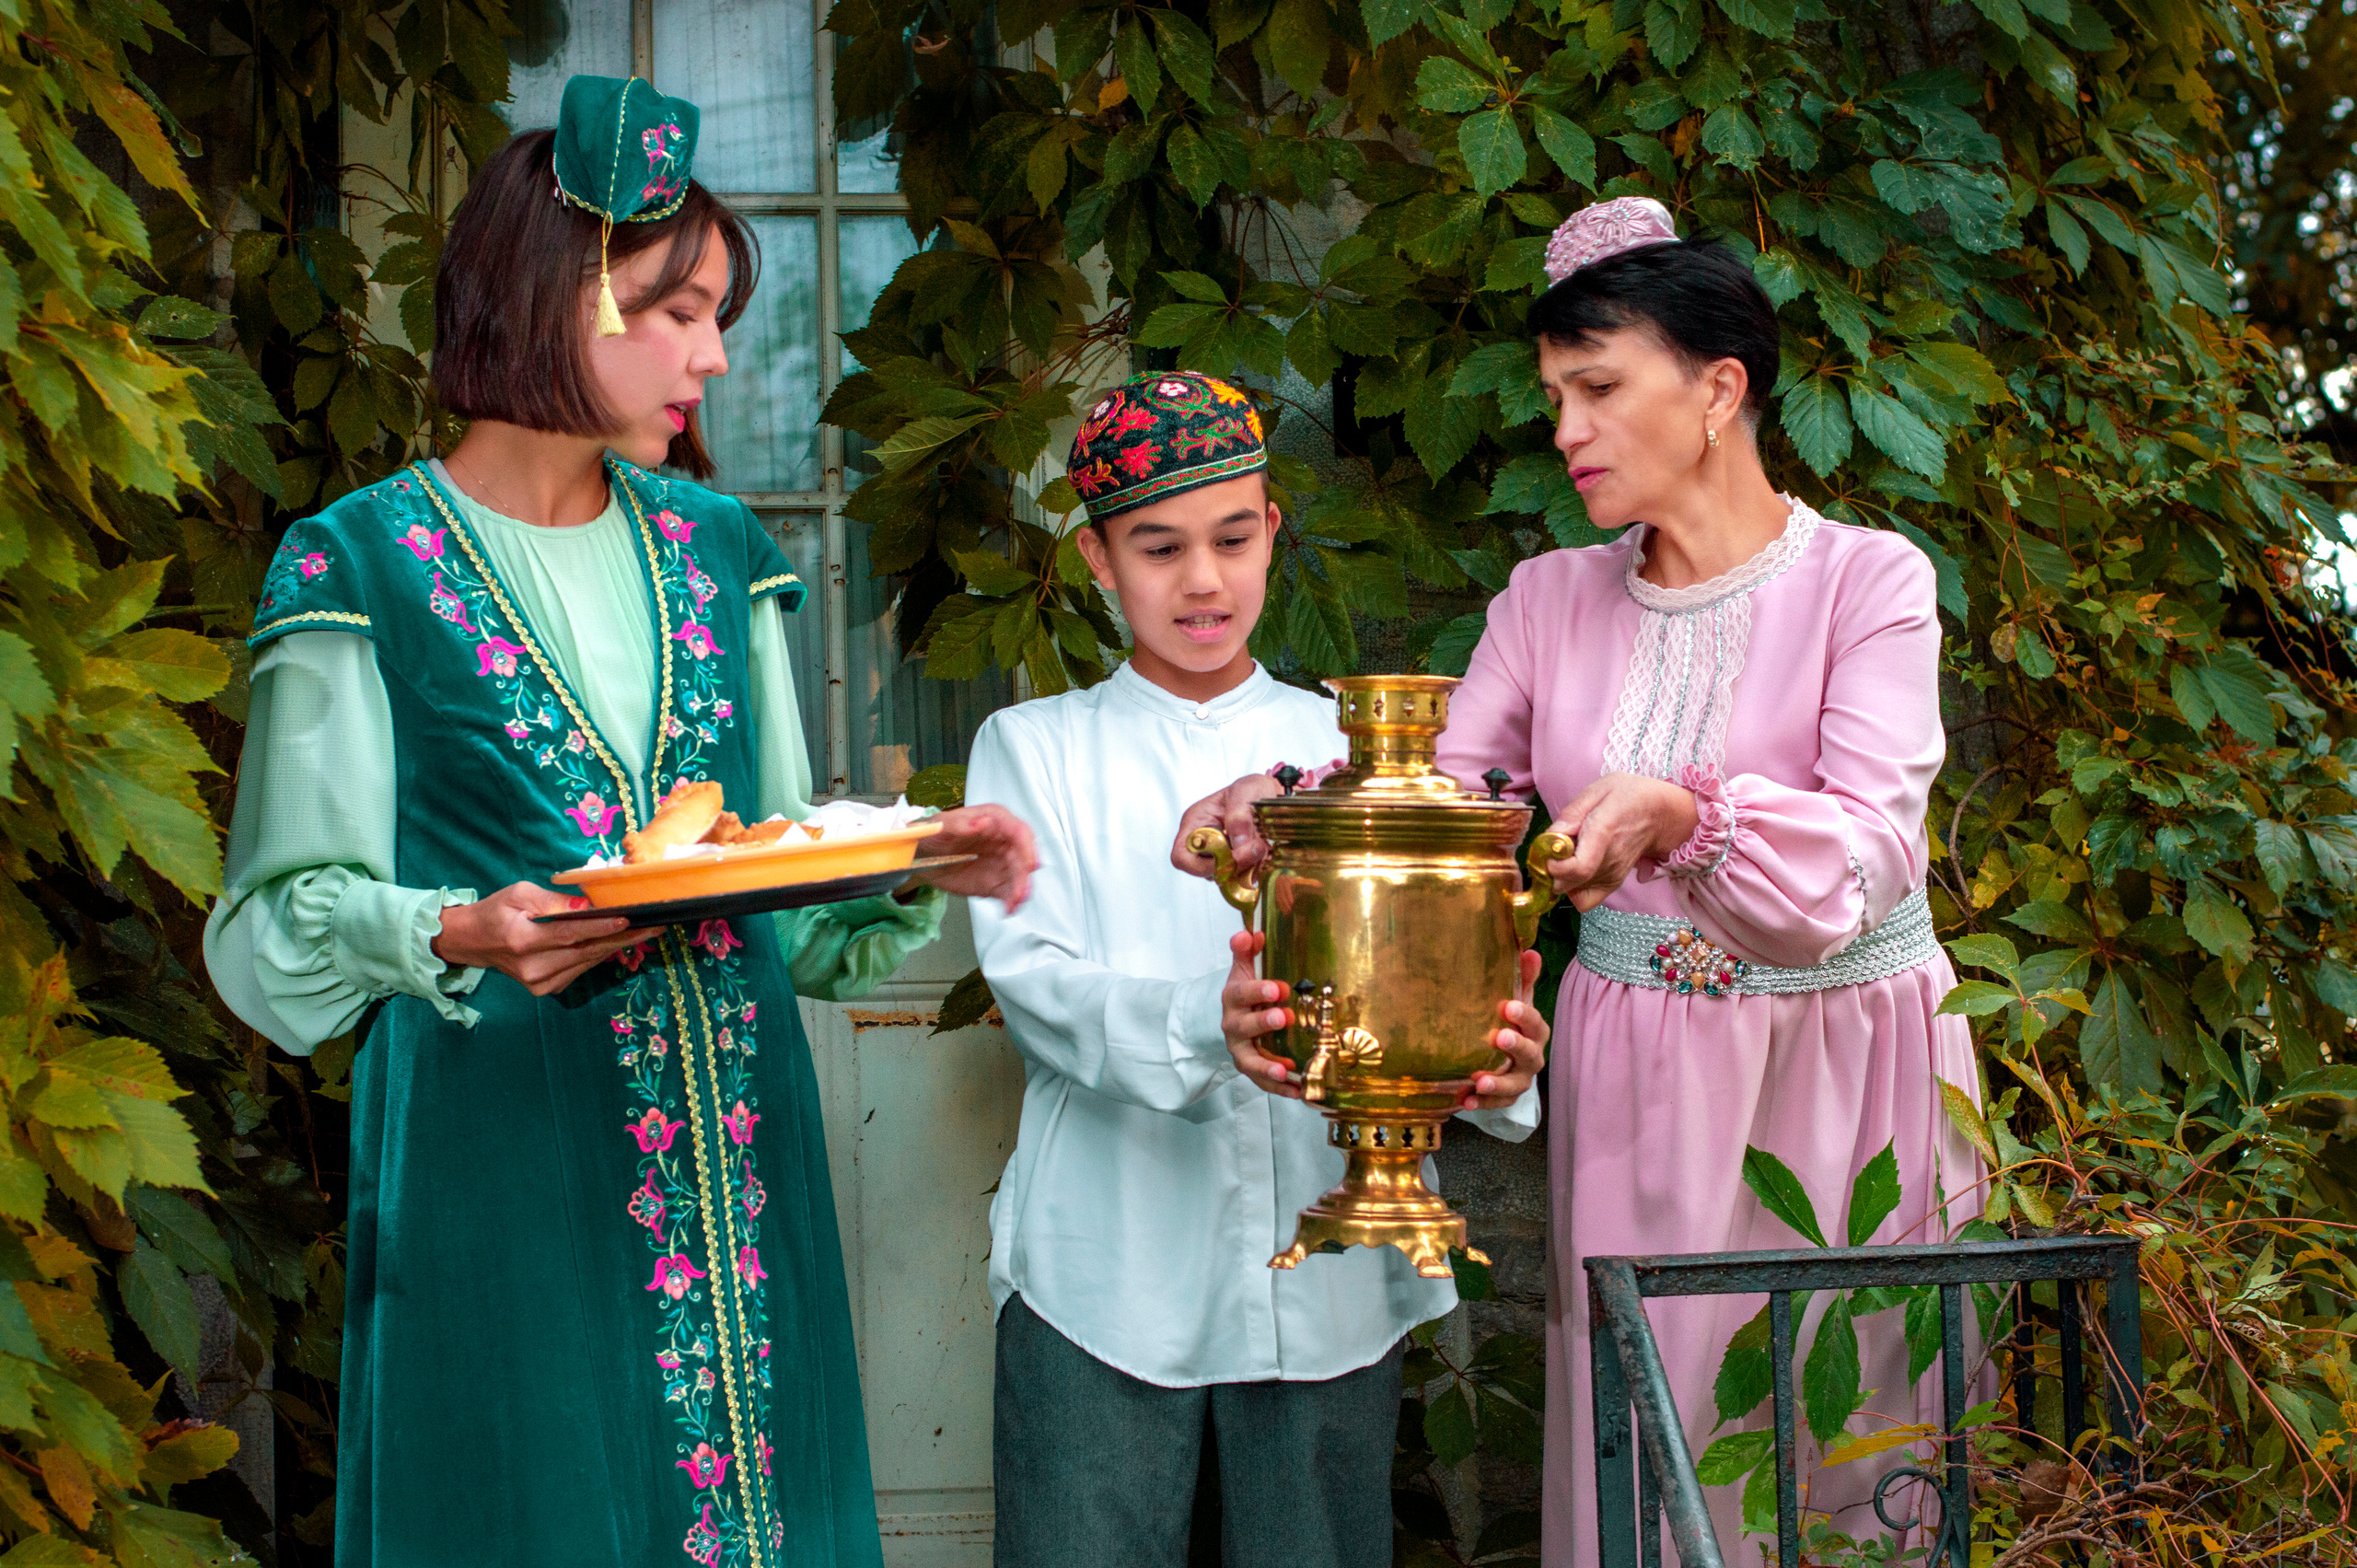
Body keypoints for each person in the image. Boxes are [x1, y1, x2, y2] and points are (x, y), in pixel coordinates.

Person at [203, 76, 1036, 1568]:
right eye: (678, 311)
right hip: (496, 1145)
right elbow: (273, 919)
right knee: (532, 1505)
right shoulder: (362, 564)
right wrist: (450, 927)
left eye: (717, 315)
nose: (715, 355)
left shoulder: (721, 554)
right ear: (557, 297)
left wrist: (919, 863)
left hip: (738, 1139)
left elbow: (789, 884)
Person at [1174, 198, 1985, 1562]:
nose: (1564, 431)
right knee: (1649, 1453)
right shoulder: (1545, 602)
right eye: (1556, 395)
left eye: (1597, 389)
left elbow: (1867, 856)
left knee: (1861, 1464)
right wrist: (1297, 814)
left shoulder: (1870, 581)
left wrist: (1689, 817)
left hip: (1853, 1069)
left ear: (1720, 388)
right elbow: (1453, 809)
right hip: (1643, 1086)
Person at [964, 371, 1549, 1568]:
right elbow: (1036, 986)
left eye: (1234, 537)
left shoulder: (1357, 758)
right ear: (1097, 560)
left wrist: (1493, 1065)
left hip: (1329, 1282)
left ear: (1273, 530)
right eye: (1159, 546)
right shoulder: (1033, 749)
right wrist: (1200, 1021)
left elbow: (1442, 973)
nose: (1203, 580)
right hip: (1103, 1274)